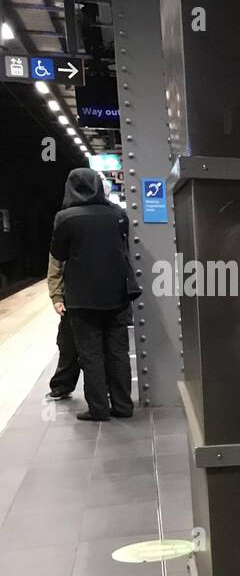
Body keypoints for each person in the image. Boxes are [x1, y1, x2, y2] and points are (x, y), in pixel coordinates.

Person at [48, 169, 139, 421]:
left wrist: (57, 296)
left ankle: (98, 409)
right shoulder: (118, 215)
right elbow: (123, 249)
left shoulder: (65, 218)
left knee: (91, 355)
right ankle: (123, 406)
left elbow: (59, 255)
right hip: (117, 296)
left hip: (82, 299)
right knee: (118, 352)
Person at [44, 254, 81, 400]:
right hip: (71, 295)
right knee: (67, 343)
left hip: (95, 293)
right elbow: (55, 265)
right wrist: (57, 296)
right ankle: (62, 385)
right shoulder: (62, 232)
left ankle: (108, 386)